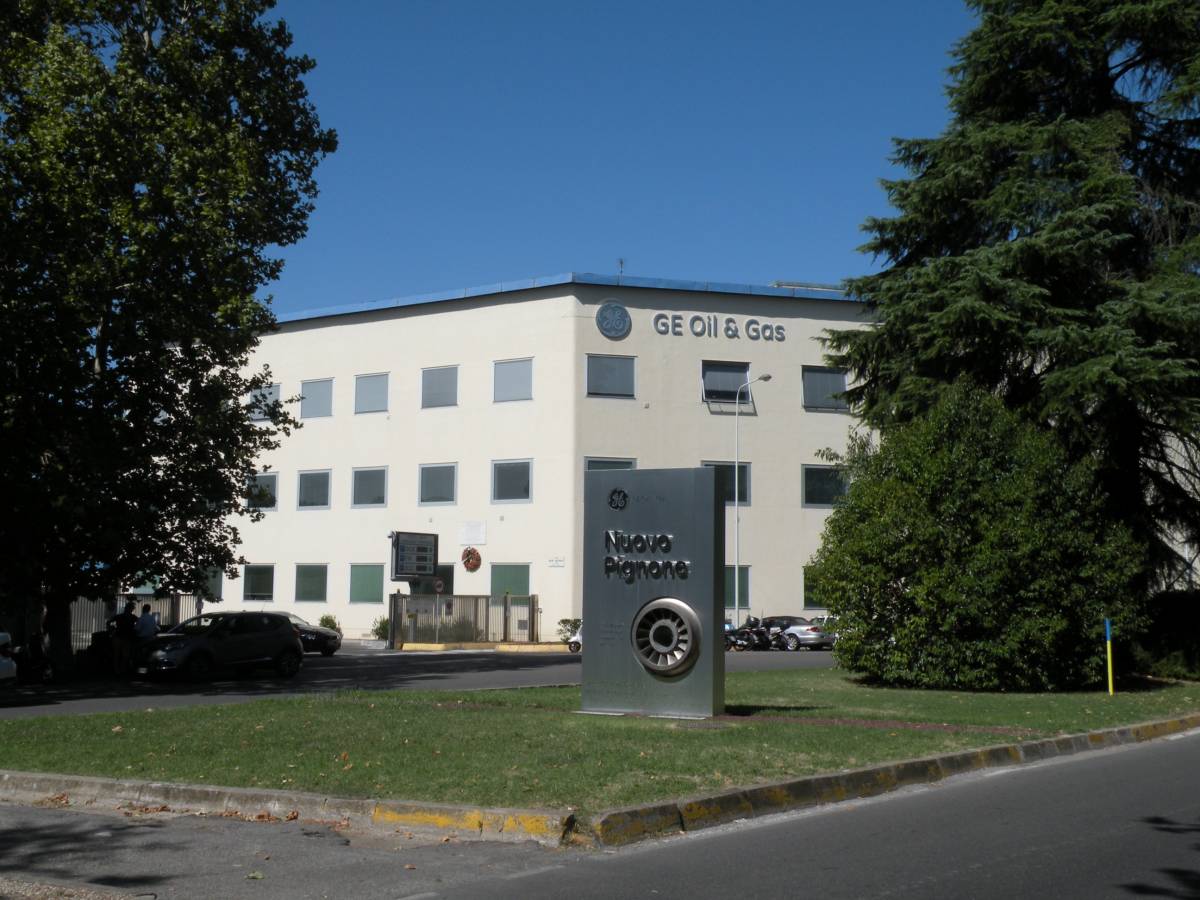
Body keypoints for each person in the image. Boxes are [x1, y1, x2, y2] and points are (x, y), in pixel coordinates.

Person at [110, 601, 137, 675]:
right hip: (127, 638)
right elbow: (139, 626)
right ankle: (122, 669)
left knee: (117, 654)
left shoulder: (119, 616)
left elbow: (109, 622)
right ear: (131, 609)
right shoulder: (133, 617)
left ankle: (117, 669)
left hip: (118, 637)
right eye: (132, 608)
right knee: (125, 655)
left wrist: (111, 630)